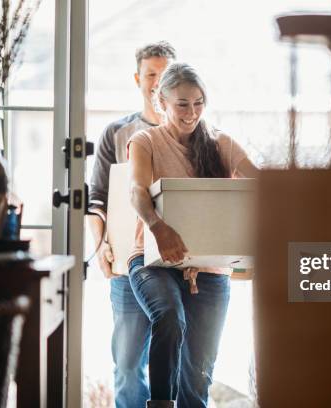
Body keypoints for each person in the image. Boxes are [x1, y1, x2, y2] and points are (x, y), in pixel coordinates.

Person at [127, 63, 258, 408]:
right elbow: (136, 191)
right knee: (169, 316)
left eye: (199, 103)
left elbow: (260, 185)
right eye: (182, 104)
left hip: (211, 269)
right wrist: (158, 226)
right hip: (152, 261)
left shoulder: (221, 143)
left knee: (198, 374)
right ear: (162, 103)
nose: (192, 112)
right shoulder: (146, 141)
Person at [87, 41, 176, 408]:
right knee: (126, 364)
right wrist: (101, 247)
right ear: (137, 78)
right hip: (127, 266)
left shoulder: (189, 133)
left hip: (176, 266)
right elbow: (96, 200)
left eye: (164, 74)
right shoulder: (116, 133)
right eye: (150, 74)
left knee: (175, 365)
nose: (157, 82)